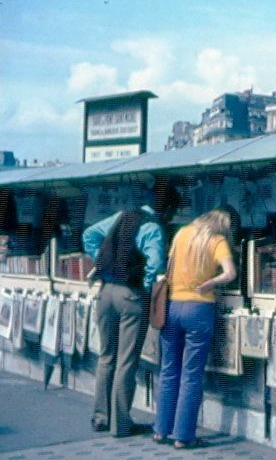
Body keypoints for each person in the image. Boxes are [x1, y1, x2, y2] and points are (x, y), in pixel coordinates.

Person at [82, 183, 180, 437]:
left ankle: (101, 417)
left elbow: (89, 235)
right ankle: (121, 424)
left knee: (106, 357)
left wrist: (101, 261)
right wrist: (146, 288)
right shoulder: (153, 228)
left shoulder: (122, 215)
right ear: (167, 208)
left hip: (105, 293)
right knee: (126, 361)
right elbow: (155, 264)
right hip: (131, 295)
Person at [152, 205, 240, 449]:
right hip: (199, 309)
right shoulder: (217, 240)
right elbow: (230, 273)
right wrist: (210, 283)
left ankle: (160, 430)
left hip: (172, 306)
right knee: (191, 375)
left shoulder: (181, 233)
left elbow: (168, 269)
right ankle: (183, 436)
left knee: (169, 370)